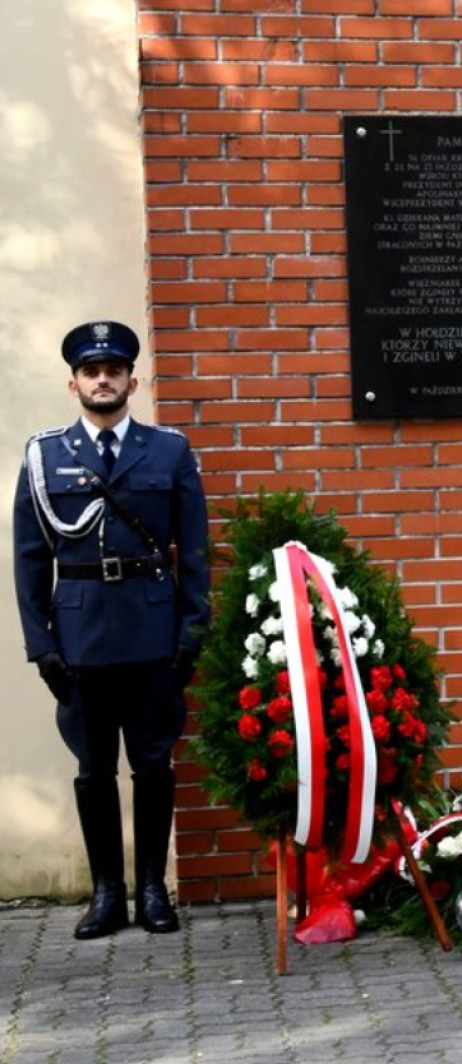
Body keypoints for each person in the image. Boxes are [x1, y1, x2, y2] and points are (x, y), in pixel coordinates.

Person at [14, 320, 210, 939]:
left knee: (153, 763)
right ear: (73, 385)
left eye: (114, 370)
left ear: (133, 379)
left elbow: (195, 550)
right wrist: (41, 644)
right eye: (91, 372)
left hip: (152, 633)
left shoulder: (168, 451)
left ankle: (152, 890)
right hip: (80, 639)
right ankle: (106, 894)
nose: (104, 380)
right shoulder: (44, 456)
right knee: (93, 767)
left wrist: (192, 631)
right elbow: (27, 556)